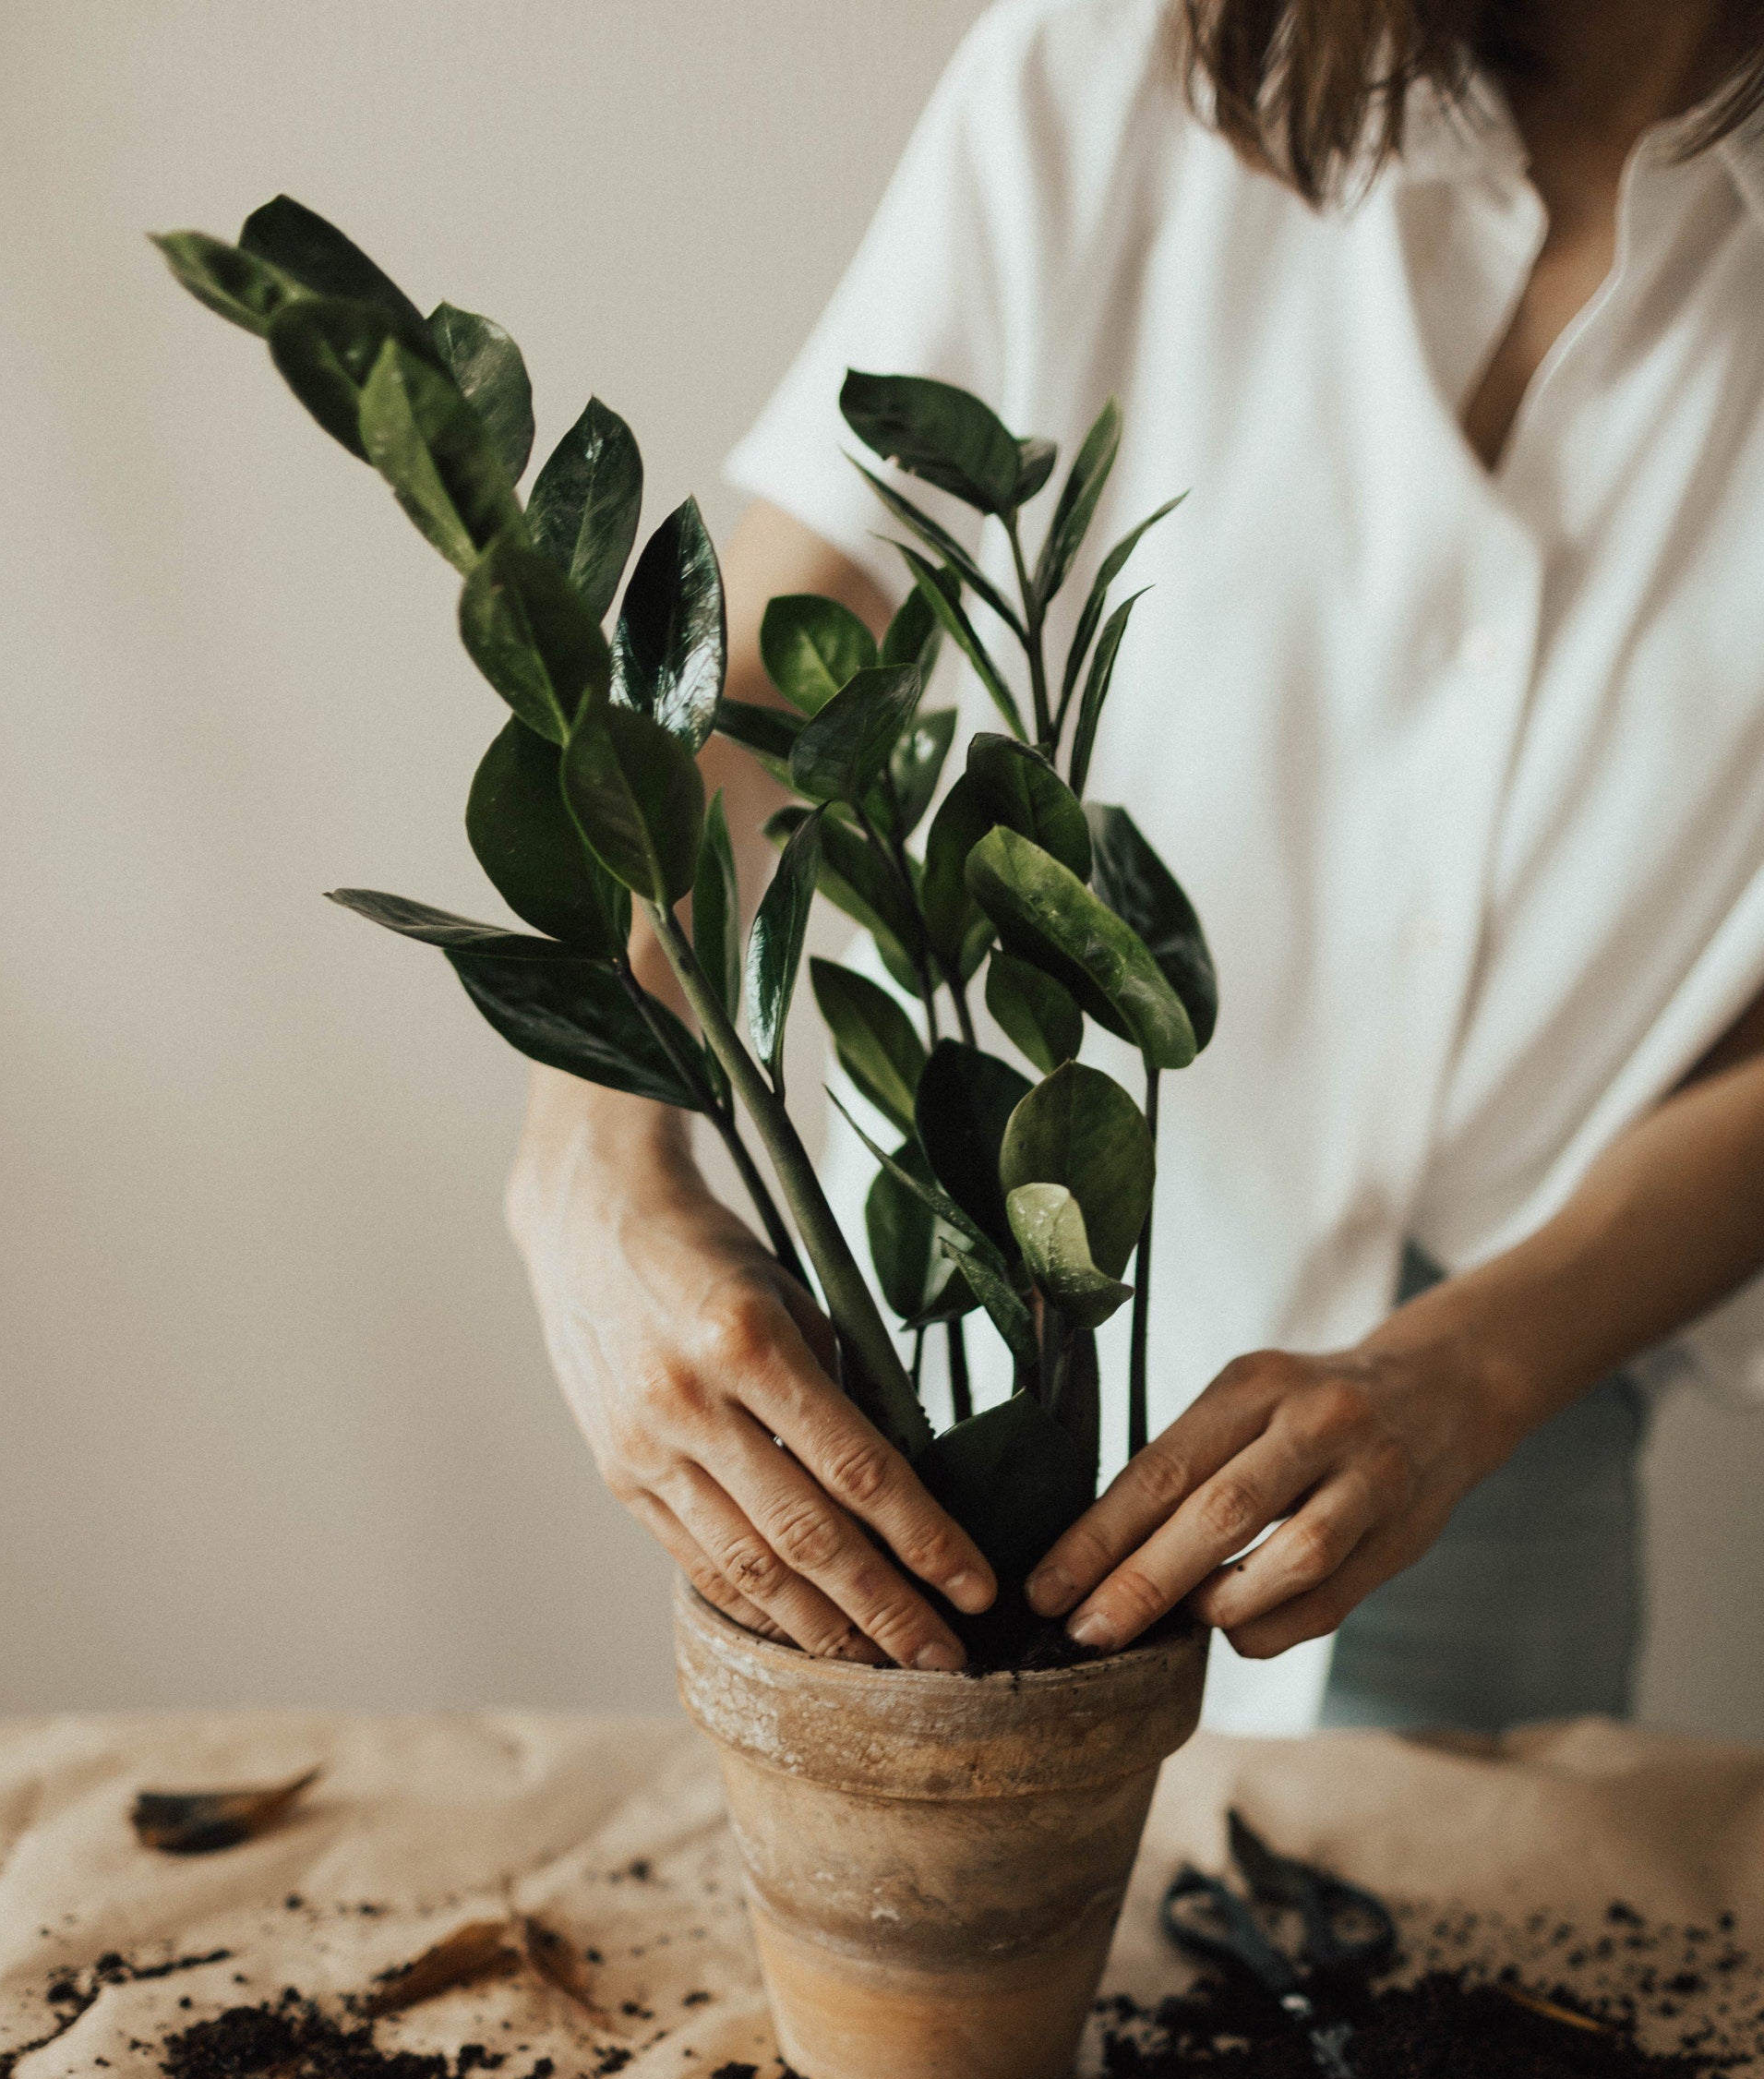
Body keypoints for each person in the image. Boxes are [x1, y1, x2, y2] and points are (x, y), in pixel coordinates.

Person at [509, 0, 1764, 1736]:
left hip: (1498, 1420)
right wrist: (588, 1164)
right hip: (954, 1326)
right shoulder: (1118, 65)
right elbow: (755, 681)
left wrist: (1468, 1376)